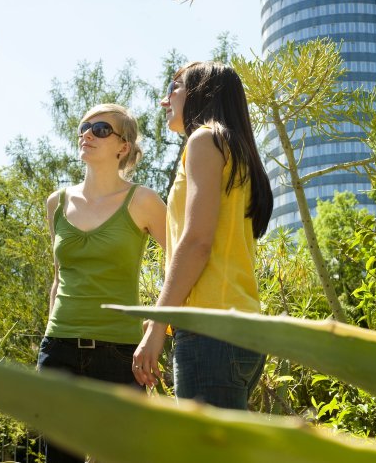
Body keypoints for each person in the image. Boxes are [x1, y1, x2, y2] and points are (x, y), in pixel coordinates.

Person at [132, 61, 273, 410]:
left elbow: (196, 243)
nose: (165, 100)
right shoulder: (233, 147)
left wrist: (156, 325)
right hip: (241, 331)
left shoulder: (204, 140)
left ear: (200, 92)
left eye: (174, 87)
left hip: (210, 330)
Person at [37, 103, 166, 462]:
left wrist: (156, 329)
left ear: (122, 147)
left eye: (101, 129)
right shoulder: (57, 203)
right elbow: (59, 276)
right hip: (58, 351)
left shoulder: (142, 200)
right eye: (84, 127)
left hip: (120, 354)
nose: (88, 134)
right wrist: (49, 336)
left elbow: (184, 262)